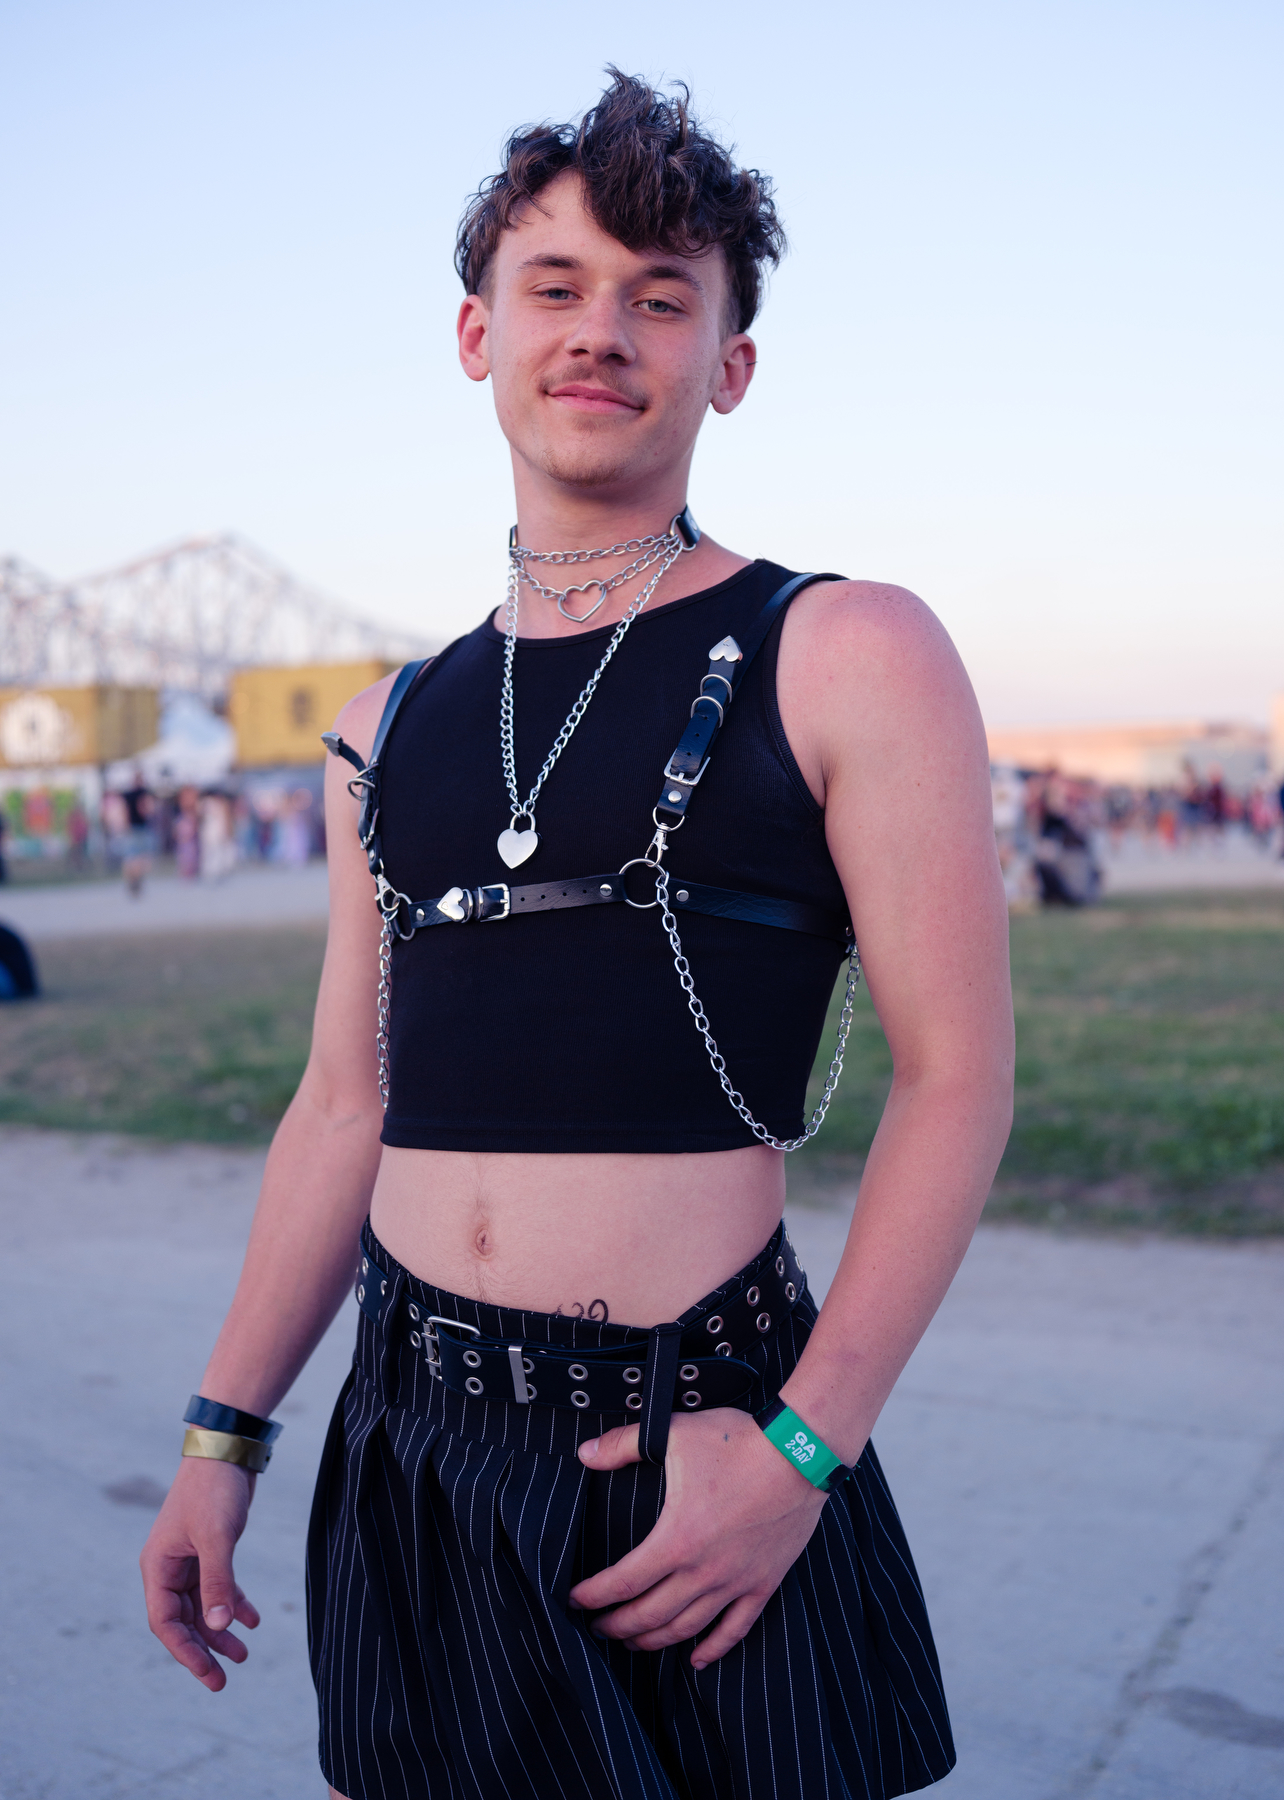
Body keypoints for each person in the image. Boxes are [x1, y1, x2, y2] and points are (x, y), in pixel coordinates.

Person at [140, 71, 1013, 1800]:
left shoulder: (843, 648)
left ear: (728, 366)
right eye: (556, 286)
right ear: (477, 335)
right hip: (412, 1438)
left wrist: (800, 1450)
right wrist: (223, 1430)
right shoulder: (384, 725)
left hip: (693, 1432)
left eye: (660, 295)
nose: (602, 329)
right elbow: (339, 1106)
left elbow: (960, 1081)